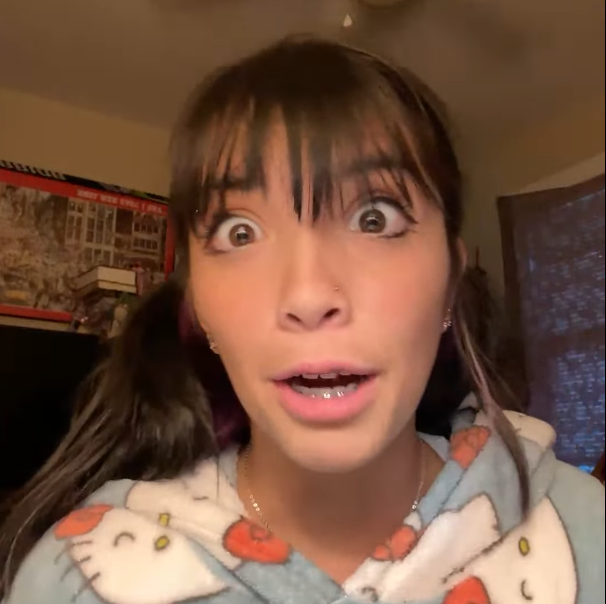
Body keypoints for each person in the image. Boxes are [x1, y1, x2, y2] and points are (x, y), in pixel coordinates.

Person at [0, 37, 603, 604]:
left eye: (374, 218)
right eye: (240, 232)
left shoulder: (583, 530)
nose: (309, 296)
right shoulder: (76, 577)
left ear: (451, 283)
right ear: (198, 307)